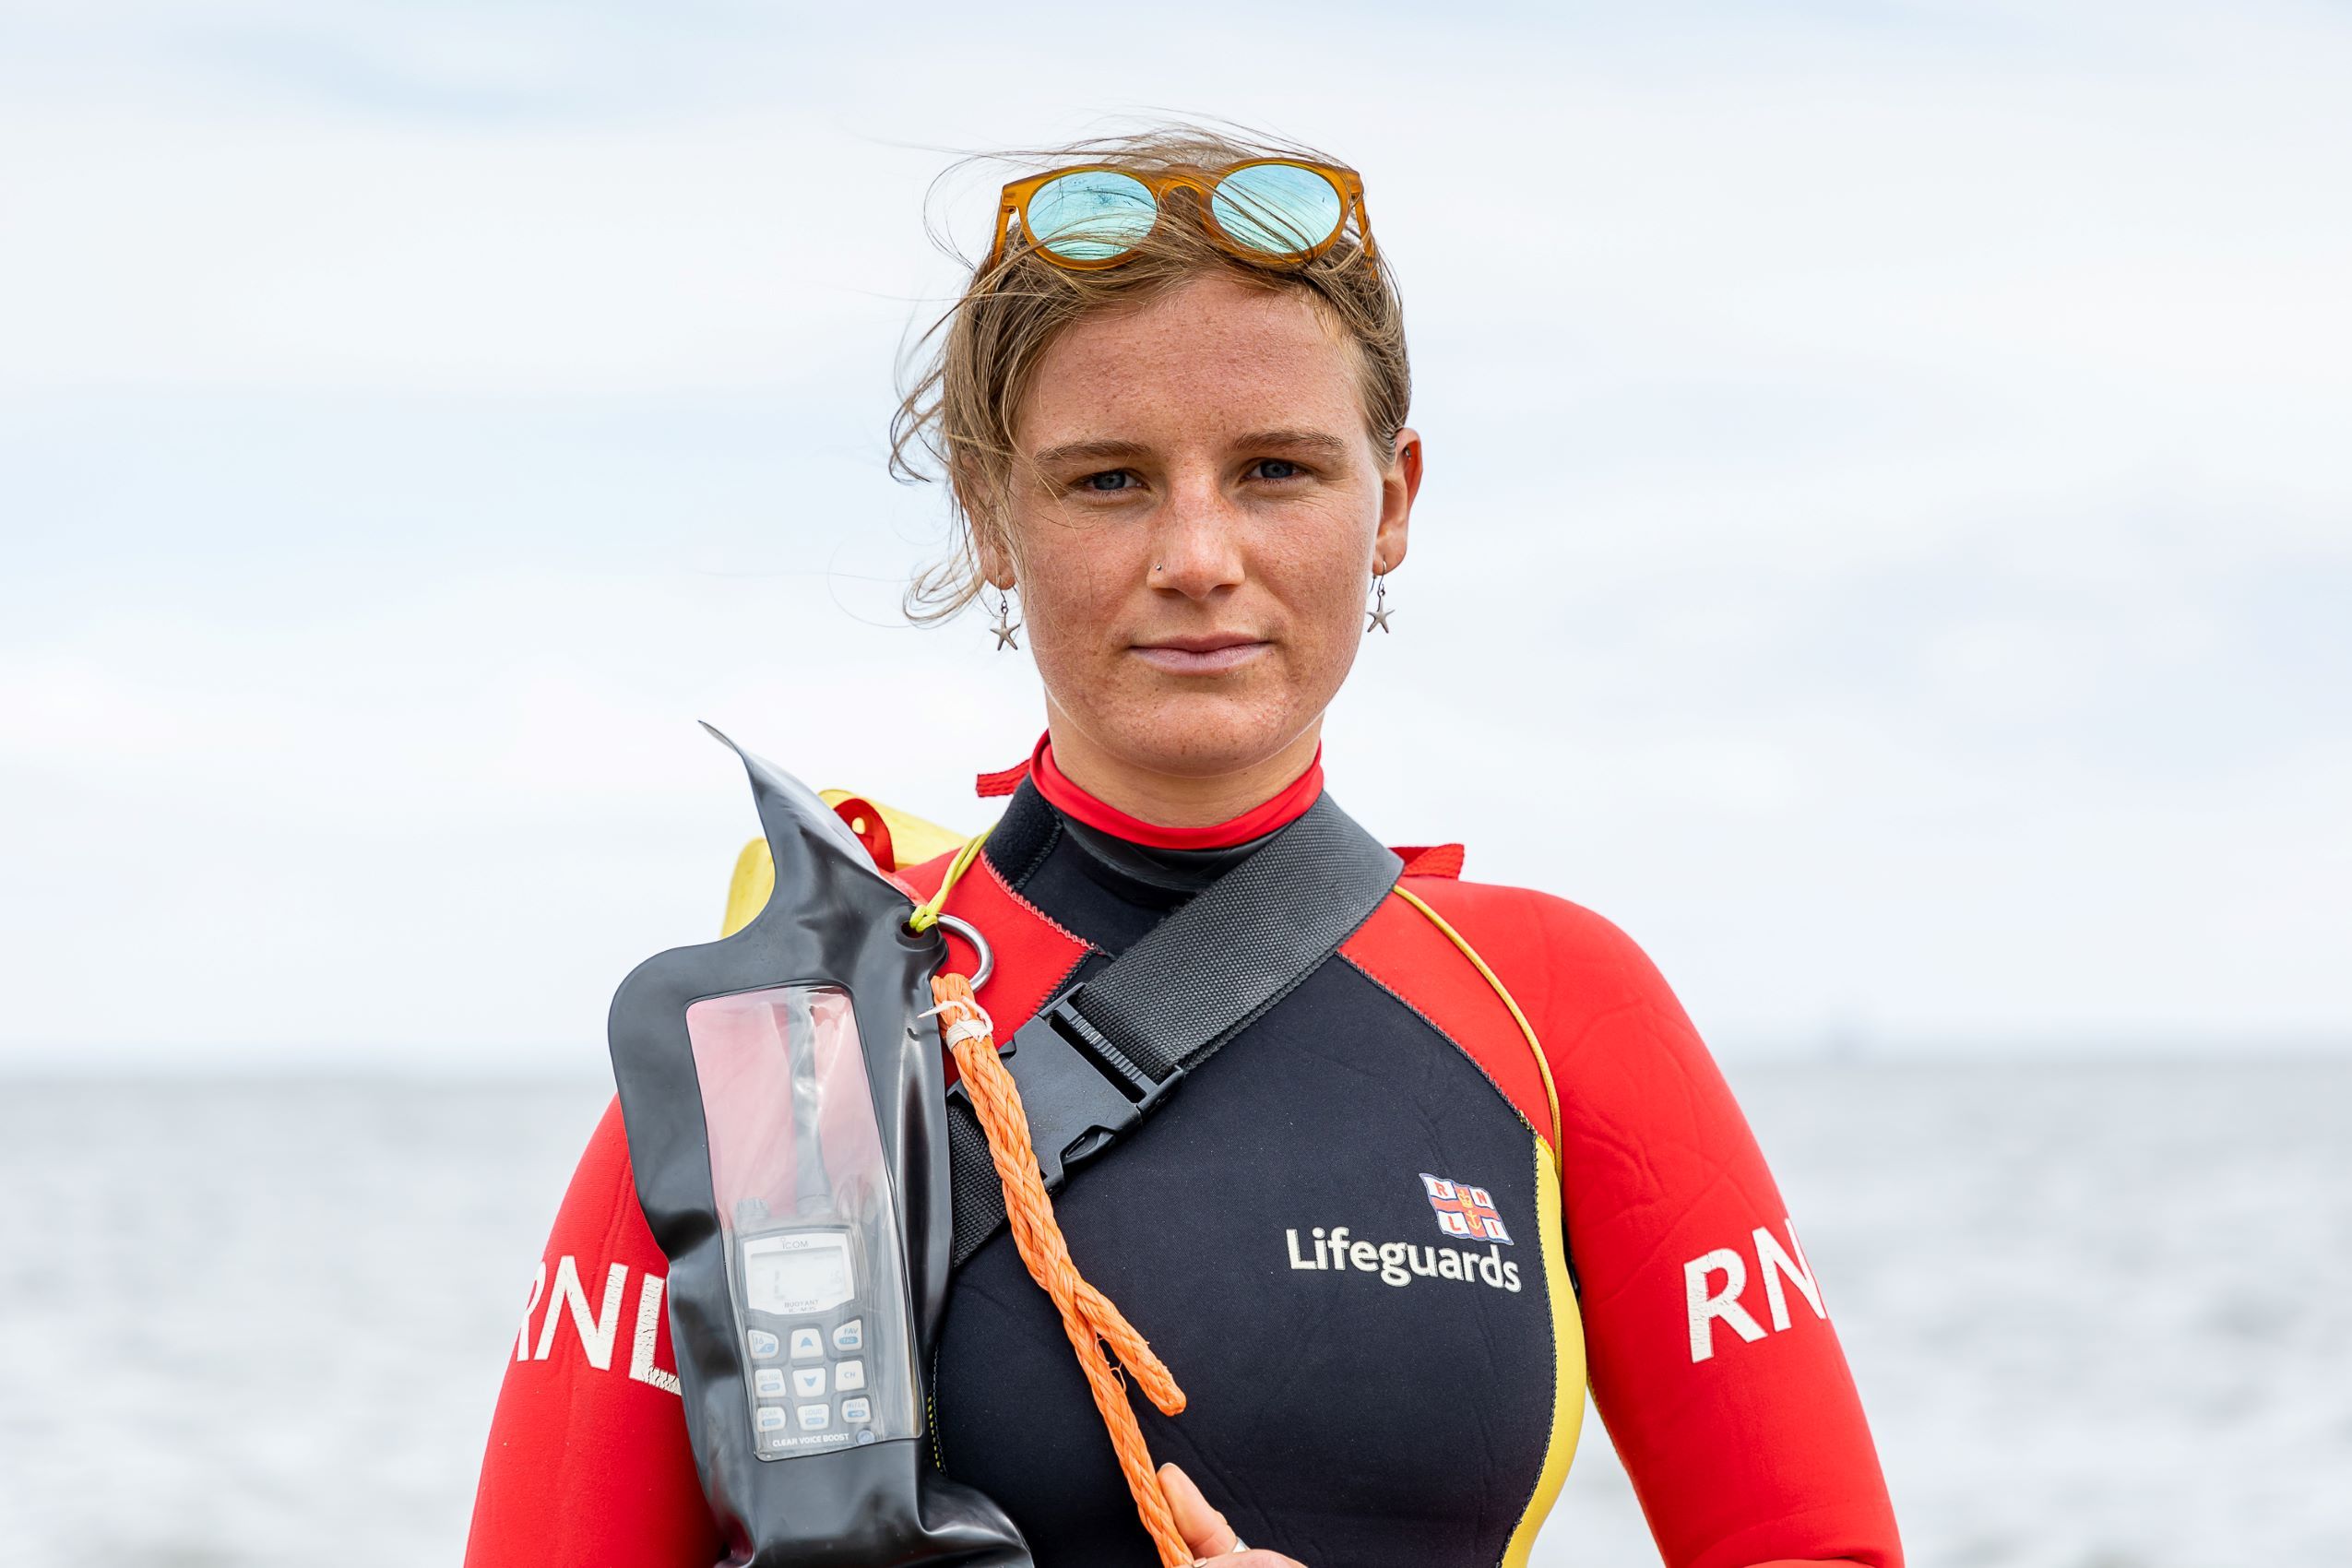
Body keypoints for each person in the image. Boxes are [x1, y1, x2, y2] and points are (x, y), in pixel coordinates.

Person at [463, 126, 1905, 1568]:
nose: (1199, 556)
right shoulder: (799, 1030)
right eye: (1109, 481)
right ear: (987, 513)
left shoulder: (1556, 1004)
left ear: (1390, 501)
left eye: (1275, 469)